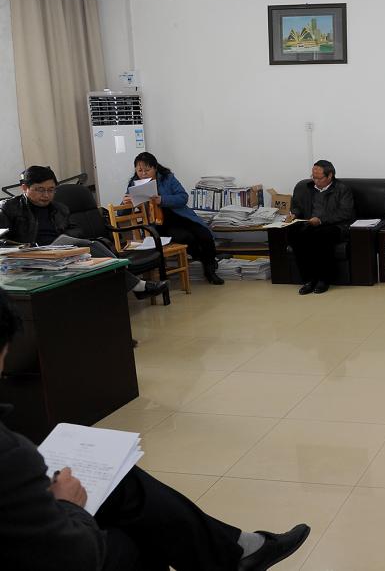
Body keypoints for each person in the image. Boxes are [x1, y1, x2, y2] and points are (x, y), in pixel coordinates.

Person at [0, 287, 310, 570]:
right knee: (142, 538)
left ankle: (237, 551)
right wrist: (69, 505)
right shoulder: (11, 455)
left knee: (122, 482)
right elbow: (75, 557)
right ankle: (236, 555)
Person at [0, 165, 167, 300]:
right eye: (40, 190)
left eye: (51, 190)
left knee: (96, 250)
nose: (46, 195)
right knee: (93, 247)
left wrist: (64, 240)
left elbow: (76, 230)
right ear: (24, 188)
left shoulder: (60, 208)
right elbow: (2, 240)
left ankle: (129, 288)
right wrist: (27, 248)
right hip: (30, 257)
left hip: (61, 254)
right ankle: (138, 285)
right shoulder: (9, 208)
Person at [125, 152, 223, 285]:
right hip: (159, 225)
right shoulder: (134, 185)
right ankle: (207, 262)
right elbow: (122, 213)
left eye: (147, 170)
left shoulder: (167, 178)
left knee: (204, 234)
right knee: (186, 237)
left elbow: (183, 197)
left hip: (180, 216)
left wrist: (162, 200)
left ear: (155, 168)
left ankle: (210, 270)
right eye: (140, 170)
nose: (143, 174)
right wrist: (125, 203)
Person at [285, 159, 354, 295]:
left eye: (319, 178)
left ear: (330, 176)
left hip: (334, 226)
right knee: (294, 234)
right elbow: (297, 207)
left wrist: (321, 220)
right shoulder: (305, 188)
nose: (315, 181)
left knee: (320, 236)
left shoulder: (342, 189)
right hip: (309, 224)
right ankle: (309, 280)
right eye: (313, 177)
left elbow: (345, 212)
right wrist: (294, 214)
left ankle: (324, 279)